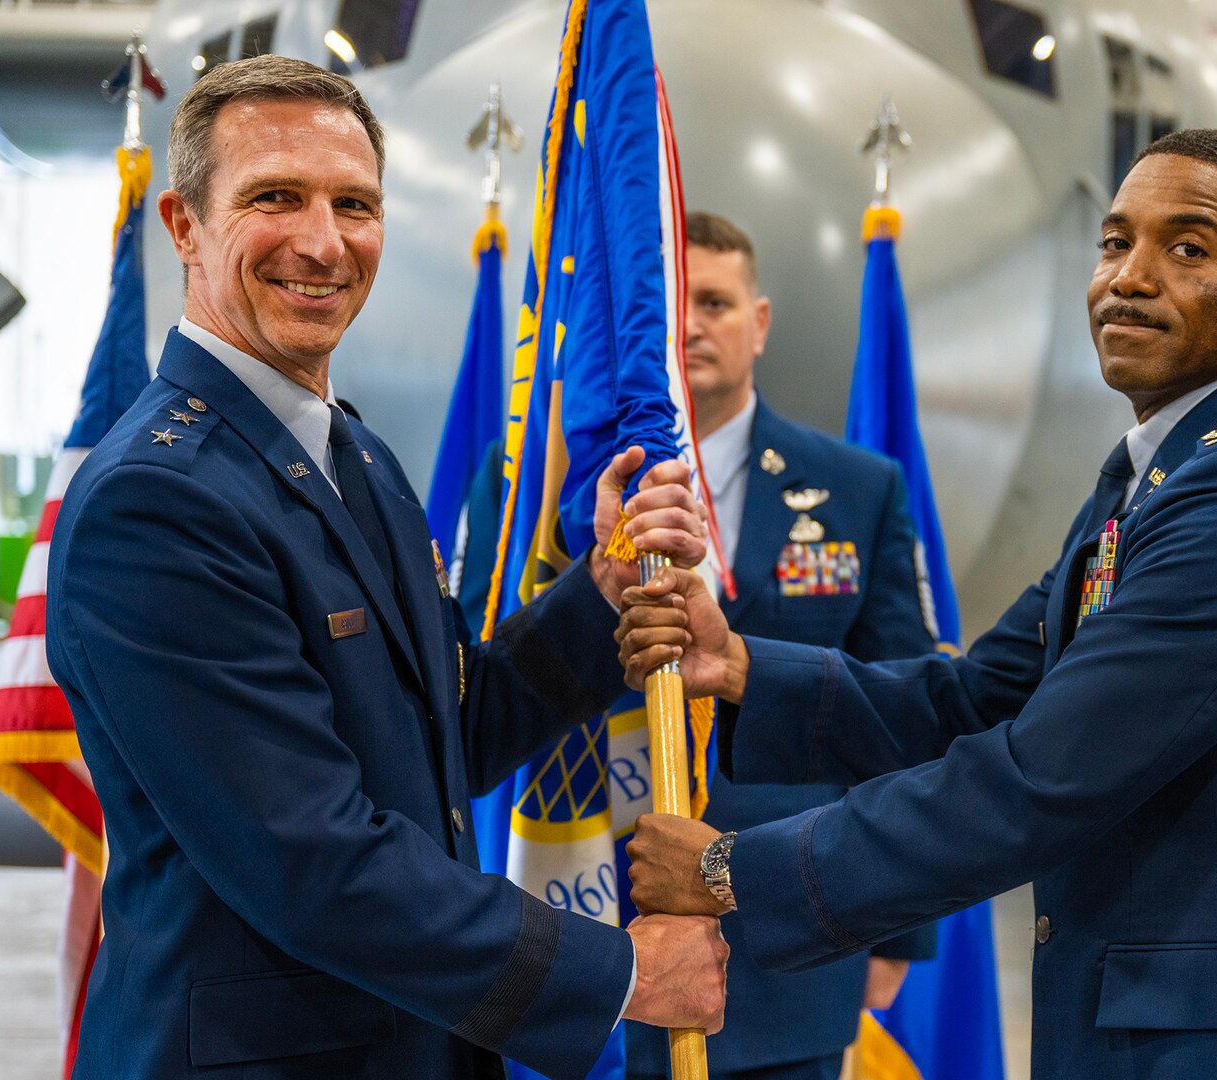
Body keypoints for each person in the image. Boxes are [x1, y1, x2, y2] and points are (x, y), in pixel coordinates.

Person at [618, 130, 1217, 1079]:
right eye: (1116, 243)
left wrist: (729, 872)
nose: (1130, 277)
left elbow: (1040, 775)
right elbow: (974, 699)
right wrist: (743, 669)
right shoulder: (1154, 478)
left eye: (1188, 248)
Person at [44, 56, 724, 1080]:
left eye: (354, 204)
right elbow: (310, 859)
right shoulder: (158, 502)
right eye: (275, 197)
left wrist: (601, 596)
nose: (323, 242)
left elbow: (444, 737)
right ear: (184, 225)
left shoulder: (355, 459)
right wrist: (617, 972)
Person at [620, 212, 937, 1080]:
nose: (689, 325)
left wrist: (898, 924)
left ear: (757, 323)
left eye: (715, 302)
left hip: (791, 933)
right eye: (672, 303)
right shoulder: (558, 488)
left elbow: (904, 705)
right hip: (595, 918)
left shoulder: (857, 489)